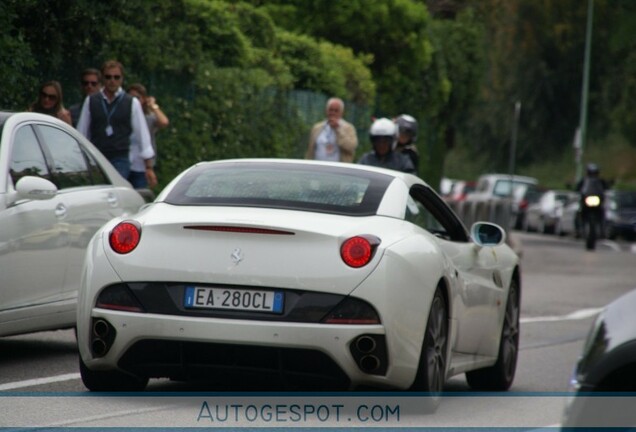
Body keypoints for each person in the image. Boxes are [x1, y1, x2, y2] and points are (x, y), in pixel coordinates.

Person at [77, 60, 156, 187]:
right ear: (102, 78)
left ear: (122, 79)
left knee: (115, 188)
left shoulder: (131, 102)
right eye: (108, 77)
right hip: (97, 156)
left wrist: (148, 166)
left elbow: (142, 134)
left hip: (120, 156)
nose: (112, 80)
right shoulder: (92, 100)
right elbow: (82, 132)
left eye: (116, 77)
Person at [127, 83, 169, 188]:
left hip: (142, 165)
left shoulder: (148, 117)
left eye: (137, 98)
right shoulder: (122, 115)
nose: (134, 101)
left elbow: (164, 122)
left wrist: (153, 105)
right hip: (125, 162)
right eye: (130, 97)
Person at [305, 97, 358, 162]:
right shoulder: (317, 128)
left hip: (338, 170)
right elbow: (310, 150)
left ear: (341, 113)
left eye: (336, 111)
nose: (333, 113)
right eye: (331, 110)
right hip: (318, 168)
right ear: (326, 111)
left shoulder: (349, 128)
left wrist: (338, 129)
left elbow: (350, 147)